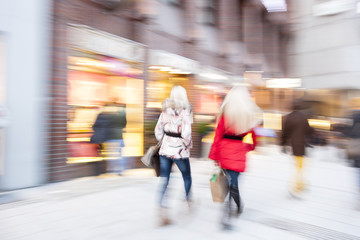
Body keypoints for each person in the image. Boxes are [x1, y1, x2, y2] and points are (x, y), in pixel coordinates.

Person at [209, 86, 261, 229]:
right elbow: (254, 135)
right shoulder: (247, 115)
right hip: (239, 152)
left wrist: (214, 155)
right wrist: (251, 147)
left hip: (224, 151)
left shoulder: (225, 114)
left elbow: (217, 136)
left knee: (229, 183)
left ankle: (229, 212)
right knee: (234, 182)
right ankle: (235, 207)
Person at [154, 85, 193, 226]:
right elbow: (187, 133)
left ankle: (162, 210)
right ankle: (187, 202)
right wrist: (186, 145)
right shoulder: (185, 111)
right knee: (187, 177)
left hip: (165, 150)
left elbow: (158, 130)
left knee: (165, 180)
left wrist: (164, 140)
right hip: (180, 151)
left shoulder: (165, 110)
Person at [281, 99, 313, 198]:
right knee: (300, 166)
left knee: (299, 166)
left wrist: (282, 144)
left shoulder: (289, 117)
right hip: (302, 144)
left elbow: (285, 132)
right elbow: (309, 130)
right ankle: (295, 187)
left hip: (294, 145)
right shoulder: (303, 116)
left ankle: (300, 185)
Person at [91, 103, 127, 175]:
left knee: (111, 154)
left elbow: (95, 126)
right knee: (119, 154)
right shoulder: (120, 114)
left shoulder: (103, 114)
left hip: (109, 136)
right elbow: (124, 124)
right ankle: (120, 170)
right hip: (119, 136)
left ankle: (111, 170)